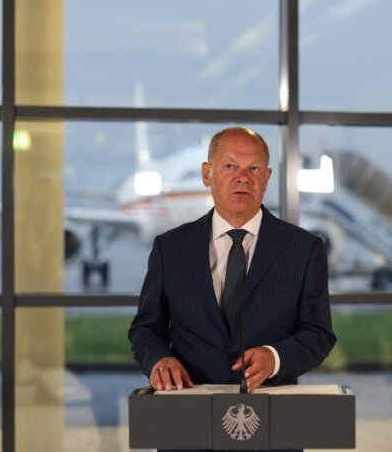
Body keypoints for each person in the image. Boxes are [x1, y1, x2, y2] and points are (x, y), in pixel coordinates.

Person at [128, 126, 336, 394]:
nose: (242, 178)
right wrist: (159, 359)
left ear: (267, 177)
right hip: (189, 405)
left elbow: (319, 334)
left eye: (254, 169)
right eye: (229, 166)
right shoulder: (170, 248)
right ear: (207, 174)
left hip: (271, 407)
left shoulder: (304, 248)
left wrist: (275, 358)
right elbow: (146, 329)